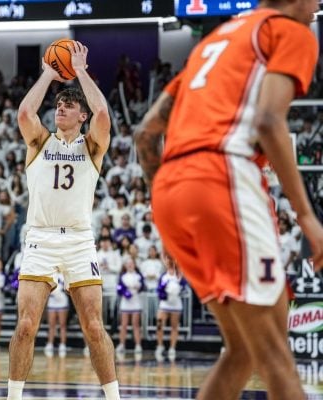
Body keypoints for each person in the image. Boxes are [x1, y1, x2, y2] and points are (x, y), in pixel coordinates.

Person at [135, 2, 323, 399]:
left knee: (242, 351)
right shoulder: (289, 32)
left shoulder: (215, 41)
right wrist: (307, 217)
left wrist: (167, 225)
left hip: (171, 187)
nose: (319, 4)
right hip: (221, 177)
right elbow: (269, 122)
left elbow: (145, 134)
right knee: (277, 356)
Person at [8, 41, 118, 400]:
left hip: (78, 240)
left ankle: (114, 397)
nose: (61, 109)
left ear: (81, 115)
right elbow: (25, 113)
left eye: (69, 105)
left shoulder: (92, 146)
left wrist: (81, 71)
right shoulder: (39, 141)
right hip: (39, 238)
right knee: (25, 326)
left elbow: (103, 113)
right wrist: (48, 75)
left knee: (94, 328)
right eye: (58, 104)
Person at [155, 254, 186, 362]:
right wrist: (163, 293)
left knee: (174, 326)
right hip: (164, 304)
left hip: (176, 304)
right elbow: (158, 290)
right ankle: (160, 345)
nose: (170, 261)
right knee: (159, 323)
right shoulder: (163, 276)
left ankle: (172, 348)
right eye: (168, 259)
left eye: (172, 259)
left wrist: (178, 289)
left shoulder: (179, 275)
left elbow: (184, 287)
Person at [116, 258, 145, 358]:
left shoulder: (138, 275)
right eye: (128, 264)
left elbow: (142, 287)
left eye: (132, 263)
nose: (130, 265)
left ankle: (138, 345)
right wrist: (126, 292)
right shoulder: (122, 276)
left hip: (136, 302)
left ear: (134, 265)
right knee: (123, 325)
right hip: (125, 302)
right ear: (125, 265)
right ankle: (122, 345)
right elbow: (119, 288)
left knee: (136, 325)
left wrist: (139, 287)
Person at [43, 273, 69, 358]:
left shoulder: (65, 274)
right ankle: (50, 343)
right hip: (52, 301)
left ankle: (63, 345)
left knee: (62, 324)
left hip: (62, 300)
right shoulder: (50, 274)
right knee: (51, 325)